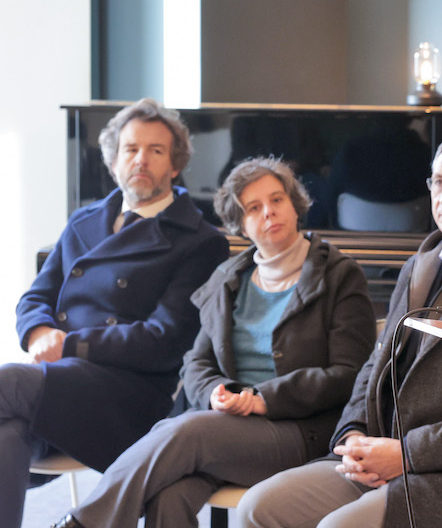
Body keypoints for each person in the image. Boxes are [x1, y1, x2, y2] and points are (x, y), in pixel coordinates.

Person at [236, 133, 442, 528]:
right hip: (382, 456)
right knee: (257, 508)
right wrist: (352, 434)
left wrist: (407, 454)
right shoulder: (419, 267)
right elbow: (376, 363)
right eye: (438, 181)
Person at [52, 157, 376, 528]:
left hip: (302, 431)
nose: (269, 212)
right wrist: (215, 394)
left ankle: (85, 522)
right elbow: (196, 362)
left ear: (294, 204)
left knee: (185, 431)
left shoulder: (339, 275)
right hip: (227, 427)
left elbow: (350, 374)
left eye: (277, 200)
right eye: (253, 208)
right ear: (240, 224)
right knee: (170, 494)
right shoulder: (228, 279)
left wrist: (264, 397)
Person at [2, 98, 230, 527]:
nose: (141, 159)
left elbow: (164, 340)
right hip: (59, 383)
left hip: (128, 396)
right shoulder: (83, 221)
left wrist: (69, 344)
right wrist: (38, 334)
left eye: (155, 150)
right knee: (7, 432)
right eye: (131, 149)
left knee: (7, 382)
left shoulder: (200, 241)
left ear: (175, 165)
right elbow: (35, 298)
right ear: (113, 161)